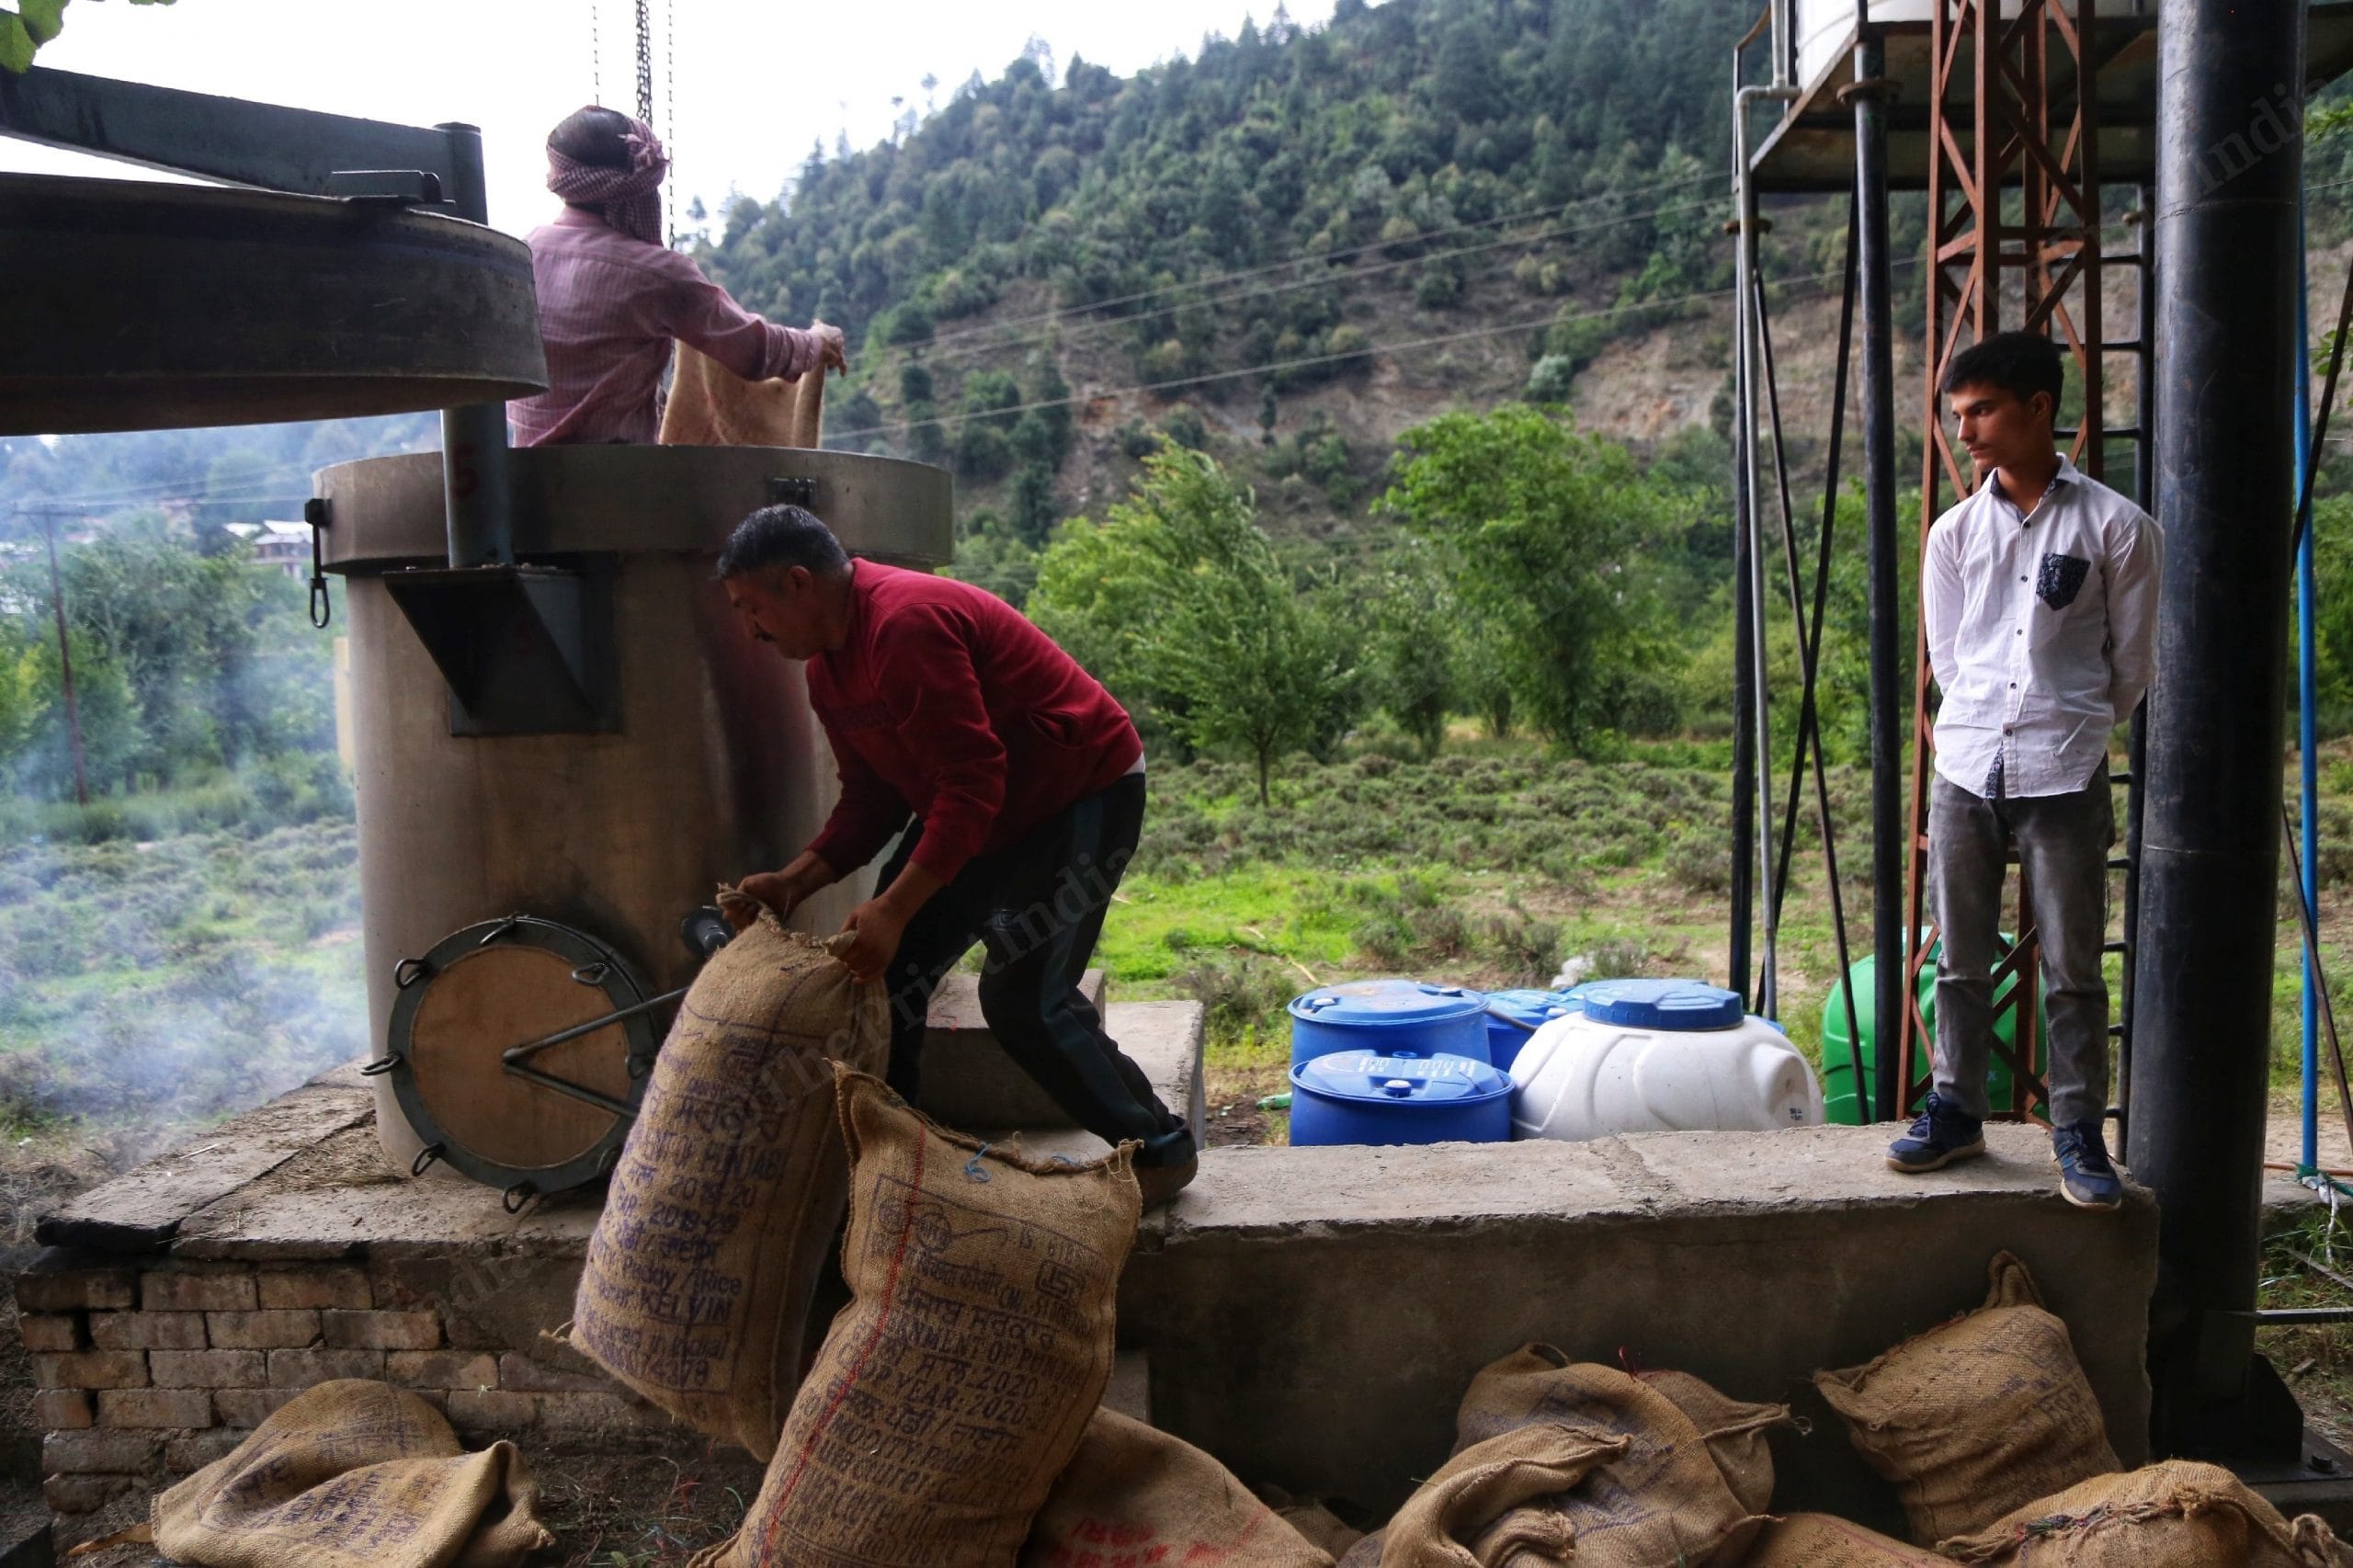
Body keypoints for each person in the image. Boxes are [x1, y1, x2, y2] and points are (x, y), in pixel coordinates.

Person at [717, 504, 1200, 1208]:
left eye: (751, 608)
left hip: (1079, 793)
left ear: (798, 582)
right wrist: (794, 882)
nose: (749, 631)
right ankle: (901, 1159)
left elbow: (973, 784)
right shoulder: (827, 671)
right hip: (982, 811)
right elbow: (874, 799)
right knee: (886, 975)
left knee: (1023, 998)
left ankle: (1160, 1150)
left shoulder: (904, 624)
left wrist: (893, 908)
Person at [1887, 331, 2162, 1211]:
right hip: (1967, 765)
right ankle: (1955, 1111)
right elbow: (1949, 656)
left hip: (2065, 766)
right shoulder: (1953, 533)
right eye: (1958, 414)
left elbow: (2132, 667)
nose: (1964, 431)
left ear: (2039, 408)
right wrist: (1974, 730)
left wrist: (2070, 725)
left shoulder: (2118, 528)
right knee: (1958, 958)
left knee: (2074, 967)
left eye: (1982, 411)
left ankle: (2077, 1132)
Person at [508, 106, 846, 447]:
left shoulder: (522, 253)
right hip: (616, 475)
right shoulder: (656, 274)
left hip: (522, 472)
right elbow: (756, 351)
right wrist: (818, 342)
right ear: (643, 184)